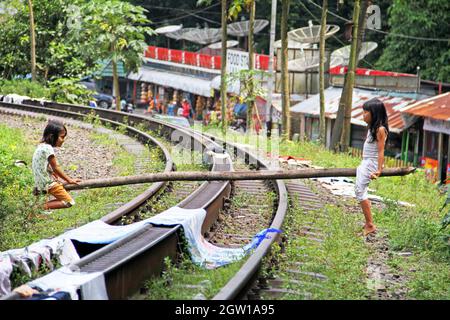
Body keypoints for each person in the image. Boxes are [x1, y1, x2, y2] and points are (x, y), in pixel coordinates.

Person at [355, 98, 389, 236]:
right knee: (359, 190)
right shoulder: (372, 128)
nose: (363, 115)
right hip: (366, 161)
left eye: (365, 112)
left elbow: (381, 151)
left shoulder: (380, 129)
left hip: (371, 163)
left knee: (359, 190)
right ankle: (368, 223)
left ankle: (370, 224)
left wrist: (379, 169)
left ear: (374, 113)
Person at [32, 120, 80, 211]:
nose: (63, 140)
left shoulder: (41, 146)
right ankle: (39, 207)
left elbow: (44, 165)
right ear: (52, 136)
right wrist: (69, 180)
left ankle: (39, 207)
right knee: (69, 202)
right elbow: (56, 167)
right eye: (62, 137)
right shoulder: (48, 149)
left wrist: (52, 173)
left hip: (40, 182)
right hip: (47, 183)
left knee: (63, 192)